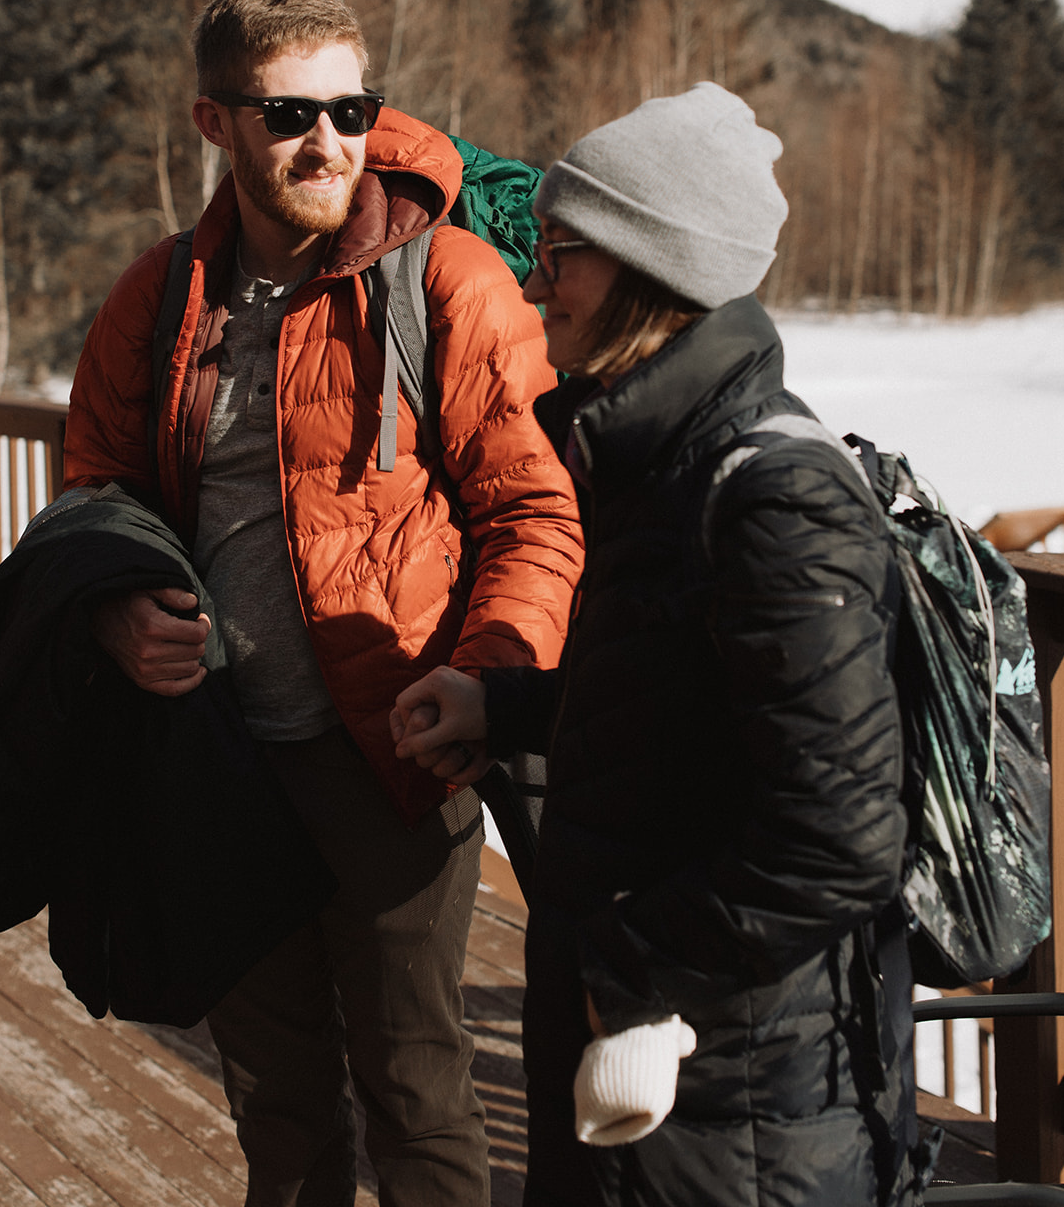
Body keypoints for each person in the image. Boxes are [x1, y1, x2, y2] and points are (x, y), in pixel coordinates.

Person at [63, 0, 585, 1207]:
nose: (329, 142)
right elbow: (96, 495)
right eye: (291, 114)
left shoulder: (446, 280)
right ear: (215, 124)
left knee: (415, 1089)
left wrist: (489, 679)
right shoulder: (158, 300)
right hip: (221, 763)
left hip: (396, 756)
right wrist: (113, 605)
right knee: (279, 1108)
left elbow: (534, 507)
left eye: (353, 110)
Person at [392, 82, 914, 1207]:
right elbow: (681, 700)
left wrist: (624, 964)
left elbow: (838, 838)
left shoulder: (773, 494)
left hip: (735, 1098)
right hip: (672, 1075)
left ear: (649, 265)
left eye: (560, 251)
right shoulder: (661, 460)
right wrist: (507, 708)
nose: (533, 279)